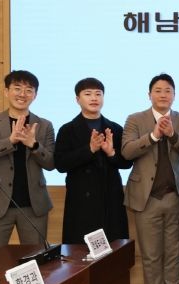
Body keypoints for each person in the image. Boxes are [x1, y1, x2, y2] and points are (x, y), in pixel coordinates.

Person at [121, 73, 179, 284]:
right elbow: (126, 152)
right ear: (149, 94)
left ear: (174, 95)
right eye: (158, 90)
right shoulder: (135, 119)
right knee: (151, 255)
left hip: (176, 197)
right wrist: (152, 136)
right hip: (146, 198)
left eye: (168, 90)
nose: (163, 94)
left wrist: (173, 135)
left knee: (174, 254)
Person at [0, 70, 55, 252]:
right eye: (17, 88)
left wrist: (34, 145)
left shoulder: (44, 125)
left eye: (29, 90)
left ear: (35, 95)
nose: (22, 94)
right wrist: (10, 141)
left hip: (34, 206)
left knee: (36, 258)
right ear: (6, 91)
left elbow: (51, 164)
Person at [54, 78, 132, 244]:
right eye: (88, 94)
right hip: (81, 201)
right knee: (80, 252)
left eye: (98, 94)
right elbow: (60, 164)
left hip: (110, 199)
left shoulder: (115, 128)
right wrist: (89, 150)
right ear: (78, 99)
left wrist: (111, 153)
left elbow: (127, 163)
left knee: (114, 250)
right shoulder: (67, 130)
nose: (94, 98)